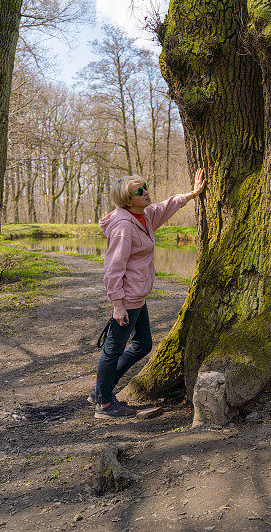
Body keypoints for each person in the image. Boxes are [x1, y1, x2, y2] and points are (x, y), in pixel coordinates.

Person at [91, 168, 206, 419]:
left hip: (137, 295)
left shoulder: (144, 216)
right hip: (127, 299)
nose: (146, 193)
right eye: (139, 191)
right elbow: (113, 268)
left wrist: (193, 194)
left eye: (146, 188)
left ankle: (101, 390)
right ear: (127, 200)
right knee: (113, 349)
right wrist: (118, 304)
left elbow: (167, 205)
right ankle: (105, 404)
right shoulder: (123, 226)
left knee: (143, 345)